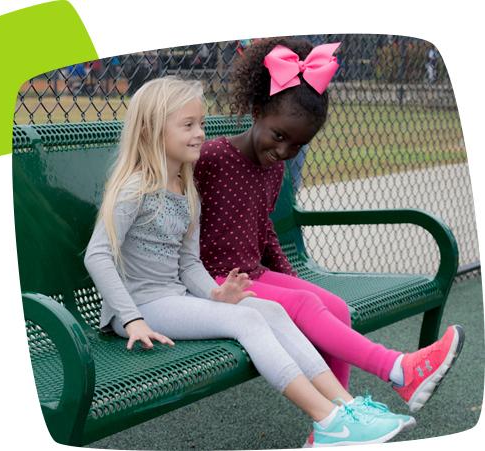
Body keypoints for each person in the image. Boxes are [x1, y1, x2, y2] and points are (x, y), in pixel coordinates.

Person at [84, 76, 409, 449]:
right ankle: (329, 422)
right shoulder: (134, 187)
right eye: (187, 125)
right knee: (249, 319)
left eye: (201, 124)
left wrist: (215, 293)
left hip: (172, 299)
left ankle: (348, 409)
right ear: (149, 131)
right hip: (142, 308)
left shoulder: (186, 188)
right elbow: (98, 254)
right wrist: (131, 317)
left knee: (269, 309)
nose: (199, 133)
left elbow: (188, 263)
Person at [193, 38, 465, 449]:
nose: (283, 151)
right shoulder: (211, 157)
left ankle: (332, 432)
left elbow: (262, 229)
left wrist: (292, 280)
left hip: (252, 274)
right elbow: (171, 215)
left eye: (298, 146)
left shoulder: (273, 169)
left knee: (334, 307)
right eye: (278, 135)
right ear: (256, 111)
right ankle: (399, 370)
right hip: (213, 284)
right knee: (306, 306)